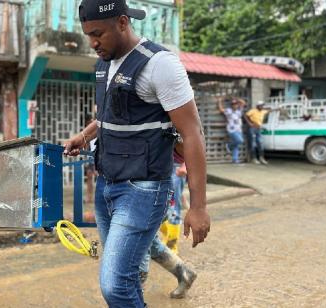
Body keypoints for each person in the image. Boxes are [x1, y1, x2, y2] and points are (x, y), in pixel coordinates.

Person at [63, 1, 210, 306]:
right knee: (127, 275)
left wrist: (198, 207)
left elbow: (193, 133)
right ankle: (178, 274)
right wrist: (85, 135)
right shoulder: (105, 62)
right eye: (88, 34)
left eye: (98, 34)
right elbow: (110, 115)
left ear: (122, 23)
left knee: (115, 284)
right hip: (107, 184)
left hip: (143, 188)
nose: (92, 43)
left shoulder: (160, 64)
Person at [138, 161, 196, 299]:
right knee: (149, 240)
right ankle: (184, 272)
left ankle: (136, 287)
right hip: (150, 178)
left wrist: (185, 165)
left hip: (159, 179)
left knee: (142, 238)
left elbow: (193, 141)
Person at [218, 97, 246, 164]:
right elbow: (221, 109)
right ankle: (229, 145)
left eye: (236, 104)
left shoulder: (239, 111)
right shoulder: (228, 110)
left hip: (239, 130)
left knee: (236, 145)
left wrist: (236, 99)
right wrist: (219, 101)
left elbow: (243, 103)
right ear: (231, 105)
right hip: (231, 130)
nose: (235, 105)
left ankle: (235, 159)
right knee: (240, 140)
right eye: (233, 104)